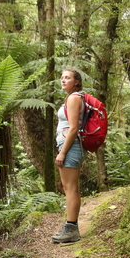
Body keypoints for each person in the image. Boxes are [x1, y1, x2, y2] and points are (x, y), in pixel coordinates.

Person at [52, 68, 85, 244]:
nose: (63, 80)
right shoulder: (73, 98)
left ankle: (71, 229)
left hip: (70, 147)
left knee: (70, 187)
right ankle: (71, 227)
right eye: (62, 77)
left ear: (76, 82)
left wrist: (62, 152)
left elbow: (73, 128)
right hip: (69, 145)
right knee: (68, 187)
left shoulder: (74, 98)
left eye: (68, 78)